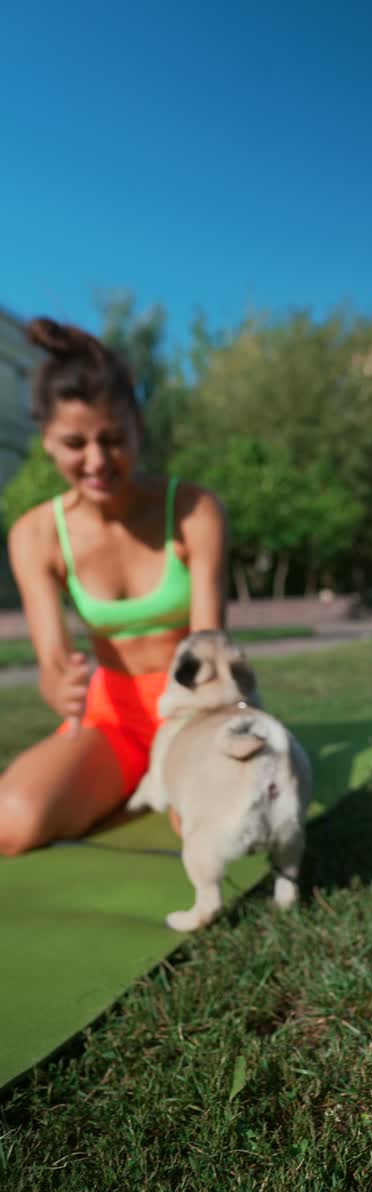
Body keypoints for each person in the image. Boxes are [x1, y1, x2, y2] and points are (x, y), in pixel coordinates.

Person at [0, 318, 227, 856]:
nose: (98, 461)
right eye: (75, 443)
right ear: (47, 442)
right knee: (13, 822)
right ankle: (129, 781)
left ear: (138, 427)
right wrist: (58, 686)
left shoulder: (194, 510)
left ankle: (172, 784)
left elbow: (210, 647)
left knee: (210, 829)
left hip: (195, 711)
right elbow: (54, 664)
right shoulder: (35, 535)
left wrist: (198, 737)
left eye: (114, 439)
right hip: (113, 721)